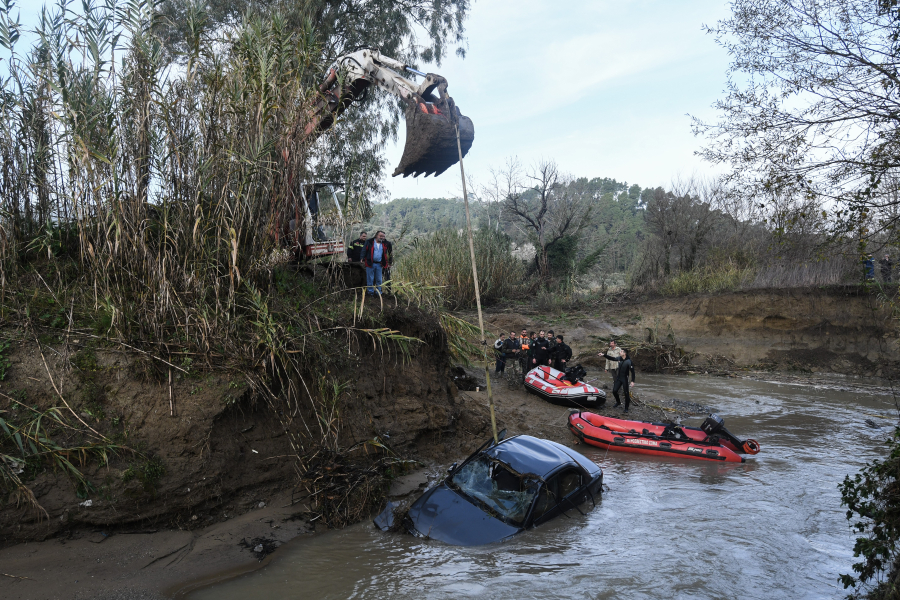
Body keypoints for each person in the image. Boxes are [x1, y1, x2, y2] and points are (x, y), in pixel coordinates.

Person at [362, 230, 392, 296]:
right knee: (370, 279)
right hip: (370, 263)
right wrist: (362, 258)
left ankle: (379, 293)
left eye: (383, 236)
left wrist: (389, 263)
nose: (382, 237)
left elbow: (390, 253)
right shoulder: (369, 242)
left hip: (379, 264)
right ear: (376, 235)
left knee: (379, 279)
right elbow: (364, 250)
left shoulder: (385, 243)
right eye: (380, 236)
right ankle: (370, 293)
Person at [607, 348, 636, 413]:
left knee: (626, 393)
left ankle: (626, 408)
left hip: (625, 379)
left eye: (621, 351)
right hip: (619, 378)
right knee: (614, 391)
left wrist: (632, 381)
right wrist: (603, 355)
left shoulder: (629, 361)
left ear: (624, 353)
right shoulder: (619, 358)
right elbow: (612, 358)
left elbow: (633, 372)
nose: (620, 352)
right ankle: (618, 402)